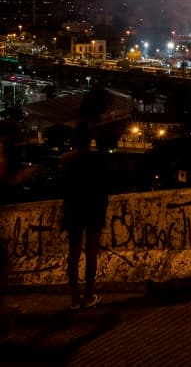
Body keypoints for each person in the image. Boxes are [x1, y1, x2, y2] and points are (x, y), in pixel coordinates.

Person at [60, 122, 109, 310]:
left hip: (74, 209)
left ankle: (74, 298)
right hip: (94, 209)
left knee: (73, 254)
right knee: (91, 254)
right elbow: (103, 185)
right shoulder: (99, 159)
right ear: (90, 140)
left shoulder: (66, 159)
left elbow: (64, 187)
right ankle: (88, 296)